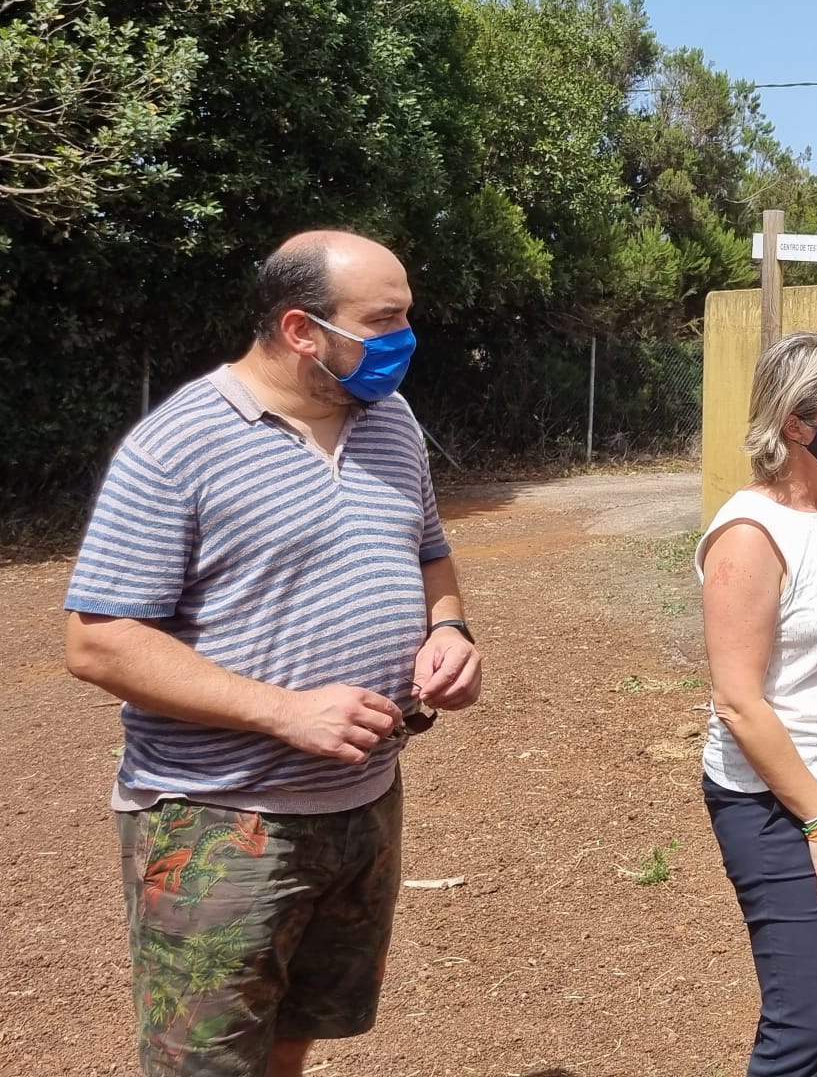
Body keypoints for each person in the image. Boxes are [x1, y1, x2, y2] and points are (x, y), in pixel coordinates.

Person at [62, 230, 482, 1077]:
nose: (405, 338)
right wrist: (284, 712)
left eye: (407, 316)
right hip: (219, 821)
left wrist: (450, 630)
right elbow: (97, 642)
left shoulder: (392, 422)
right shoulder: (178, 445)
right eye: (384, 320)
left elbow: (430, 555)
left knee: (296, 1034)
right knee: (207, 1063)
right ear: (301, 329)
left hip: (364, 799)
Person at [698, 330, 817, 1077]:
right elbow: (737, 701)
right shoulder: (749, 537)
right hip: (780, 804)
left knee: (815, 988)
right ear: (795, 425)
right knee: (805, 1028)